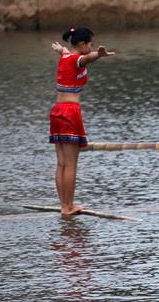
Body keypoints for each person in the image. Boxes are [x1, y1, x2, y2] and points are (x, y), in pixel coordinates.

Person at [49, 27, 114, 216]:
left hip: (57, 111)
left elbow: (65, 51)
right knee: (70, 164)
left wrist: (59, 48)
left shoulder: (66, 57)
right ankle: (68, 206)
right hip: (69, 113)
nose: (92, 48)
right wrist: (99, 55)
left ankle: (65, 206)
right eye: (91, 45)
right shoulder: (78, 59)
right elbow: (86, 59)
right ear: (82, 44)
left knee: (61, 163)